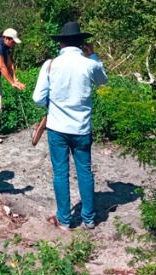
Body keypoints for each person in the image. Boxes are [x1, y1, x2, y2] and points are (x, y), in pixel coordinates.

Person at [33, 21, 108, 230]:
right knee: (85, 171)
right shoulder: (90, 64)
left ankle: (65, 220)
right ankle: (89, 219)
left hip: (57, 127)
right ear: (82, 43)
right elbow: (102, 81)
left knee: (60, 173)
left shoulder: (50, 64)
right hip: (82, 127)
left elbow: (37, 98)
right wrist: (93, 55)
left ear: (61, 43)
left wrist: (53, 103)